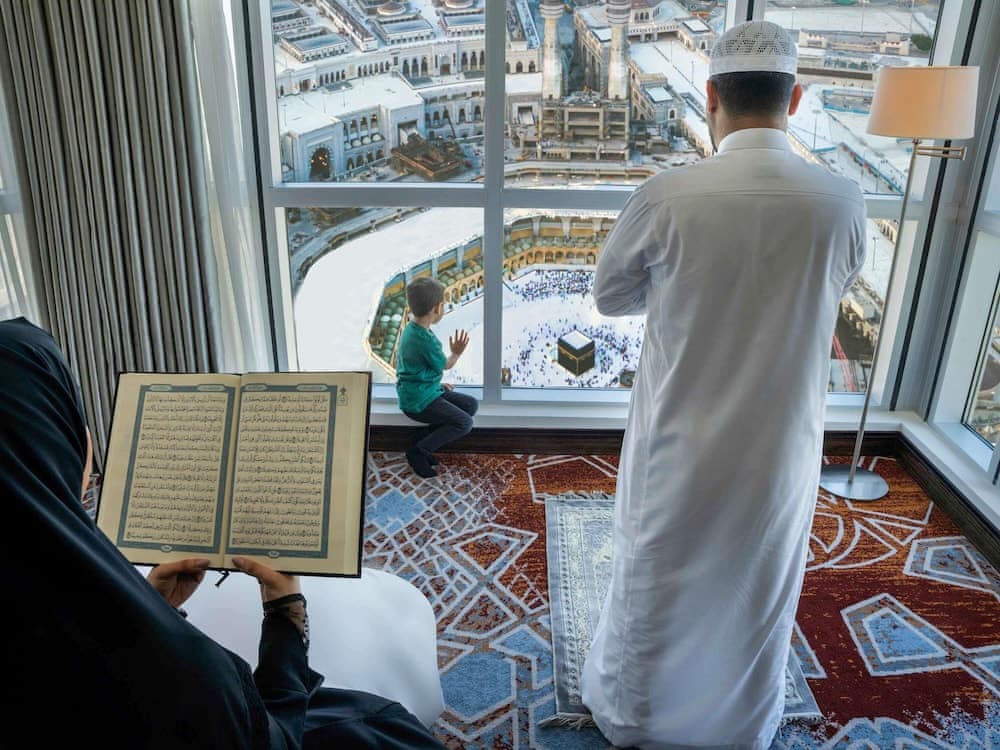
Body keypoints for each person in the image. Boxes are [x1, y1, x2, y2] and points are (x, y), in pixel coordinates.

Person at [581, 21, 866, 750]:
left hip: (680, 439)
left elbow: (610, 296)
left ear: (709, 95)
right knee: (757, 582)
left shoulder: (667, 197)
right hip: (781, 447)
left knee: (659, 576)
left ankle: (638, 720)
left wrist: (678, 288)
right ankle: (739, 723)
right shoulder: (842, 201)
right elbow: (834, 289)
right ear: (795, 99)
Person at [1, 315, 446, 749]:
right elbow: (271, 734)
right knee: (381, 724)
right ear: (51, 439)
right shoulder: (192, 676)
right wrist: (287, 616)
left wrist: (149, 608)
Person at [396, 277, 478, 478]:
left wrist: (436, 383)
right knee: (464, 423)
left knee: (470, 405)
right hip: (419, 401)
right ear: (437, 308)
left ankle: (422, 438)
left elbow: (414, 368)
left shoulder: (411, 330)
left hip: (420, 391)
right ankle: (419, 451)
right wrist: (456, 352)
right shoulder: (425, 340)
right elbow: (445, 365)